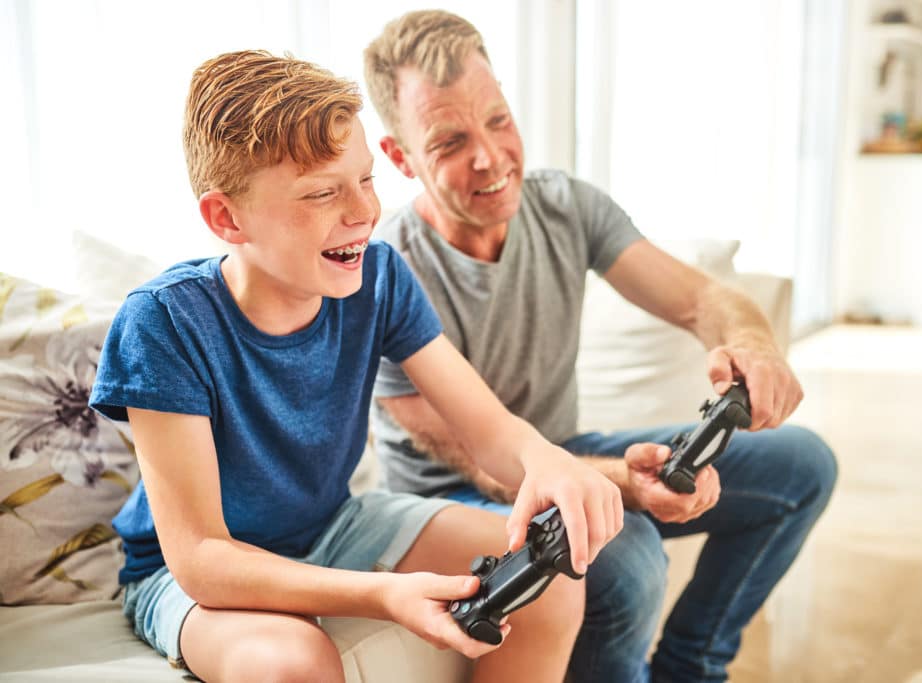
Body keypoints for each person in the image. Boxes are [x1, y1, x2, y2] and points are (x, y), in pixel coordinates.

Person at [88, 50, 624, 683]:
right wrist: (378, 595)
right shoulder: (164, 323)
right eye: (322, 193)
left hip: (335, 524)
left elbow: (489, 430)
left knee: (550, 584)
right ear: (226, 217)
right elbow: (202, 557)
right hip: (197, 572)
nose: (363, 212)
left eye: (366, 180)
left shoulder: (380, 277)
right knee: (294, 662)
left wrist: (548, 461)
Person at [363, 10, 839, 683]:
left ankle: (690, 668)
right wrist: (623, 485)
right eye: (450, 140)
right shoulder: (385, 272)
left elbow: (705, 298)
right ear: (400, 157)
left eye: (498, 120)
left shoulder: (566, 207)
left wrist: (753, 343)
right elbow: (482, 458)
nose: (490, 158)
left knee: (801, 466)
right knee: (628, 555)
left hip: (567, 451)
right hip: (457, 497)